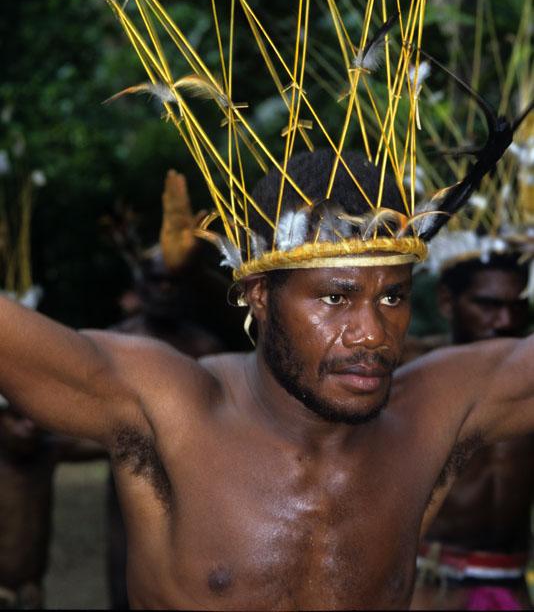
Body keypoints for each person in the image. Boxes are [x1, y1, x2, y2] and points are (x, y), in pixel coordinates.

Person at [0, 148, 533, 610]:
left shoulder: (436, 413)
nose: (372, 333)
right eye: (335, 298)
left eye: (392, 296)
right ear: (259, 293)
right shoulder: (167, 408)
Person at [106, 170, 250, 609]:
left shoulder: (205, 346)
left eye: (175, 283)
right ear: (139, 287)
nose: (165, 292)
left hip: (199, 491)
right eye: (157, 282)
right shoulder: (112, 345)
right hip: (128, 490)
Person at [410, 251, 533, 611]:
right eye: (489, 305)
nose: (506, 320)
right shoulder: (409, 375)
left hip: (511, 582)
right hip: (429, 584)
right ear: (448, 301)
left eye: (518, 305)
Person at [0, 394, 102, 610]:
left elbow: (106, 444)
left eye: (33, 417)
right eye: (17, 417)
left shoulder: (47, 451)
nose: (28, 426)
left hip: (30, 591)